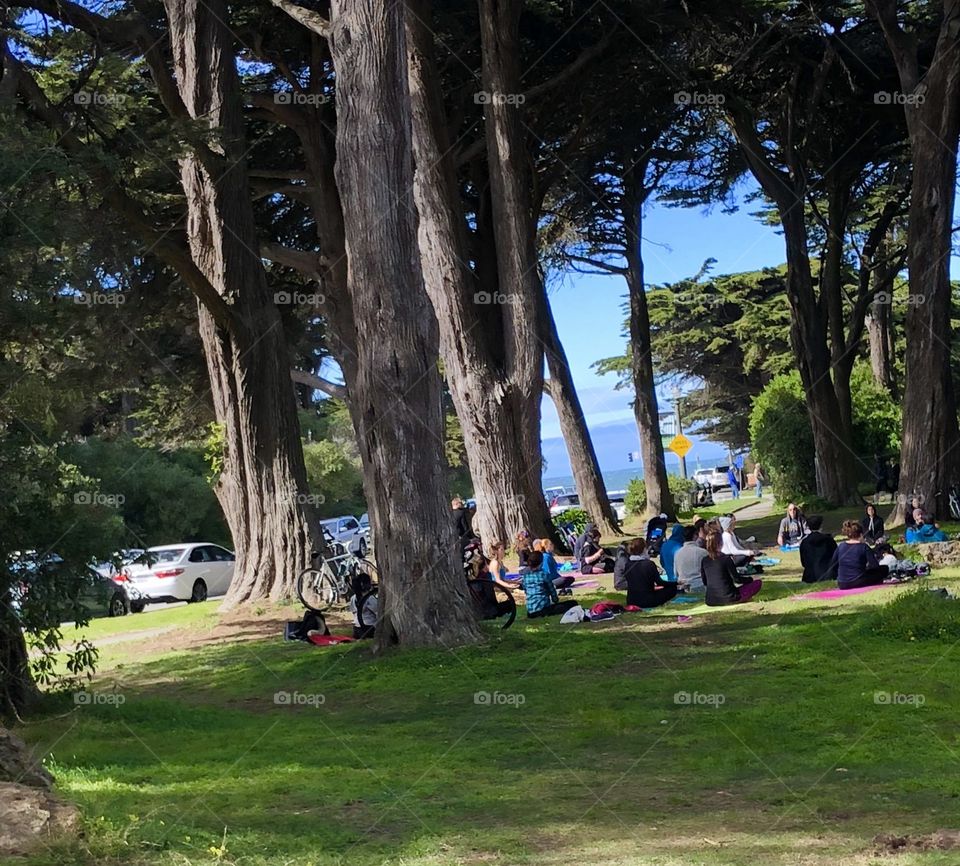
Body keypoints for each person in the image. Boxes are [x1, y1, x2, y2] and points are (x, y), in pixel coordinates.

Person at [701, 527, 762, 606]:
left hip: (710, 599)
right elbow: (737, 579)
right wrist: (751, 579)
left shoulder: (704, 560)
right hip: (729, 597)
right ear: (721, 543)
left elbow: (705, 582)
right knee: (757, 583)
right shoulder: (726, 559)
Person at [829, 520, 888, 589]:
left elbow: (833, 564)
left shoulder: (841, 546)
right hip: (858, 581)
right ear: (860, 535)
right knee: (884, 569)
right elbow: (874, 565)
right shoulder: (863, 547)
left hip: (842, 583)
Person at [621, 538, 678, 608]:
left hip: (631, 600)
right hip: (648, 600)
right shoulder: (649, 564)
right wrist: (676, 583)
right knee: (672, 589)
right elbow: (660, 582)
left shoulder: (627, 564)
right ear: (644, 549)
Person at [520, 551, 578, 618]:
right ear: (541, 563)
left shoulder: (525, 576)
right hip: (544, 609)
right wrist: (555, 600)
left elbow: (525, 590)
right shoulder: (544, 574)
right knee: (573, 603)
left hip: (530, 611)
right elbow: (552, 591)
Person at [798, 515, 837, 583]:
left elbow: (803, 562)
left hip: (810, 577)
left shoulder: (804, 542)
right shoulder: (828, 540)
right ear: (821, 526)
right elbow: (836, 558)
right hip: (828, 575)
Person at [673, 524, 708, 591]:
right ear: (695, 536)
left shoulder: (677, 553)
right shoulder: (702, 552)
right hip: (699, 585)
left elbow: (676, 573)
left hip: (683, 586)